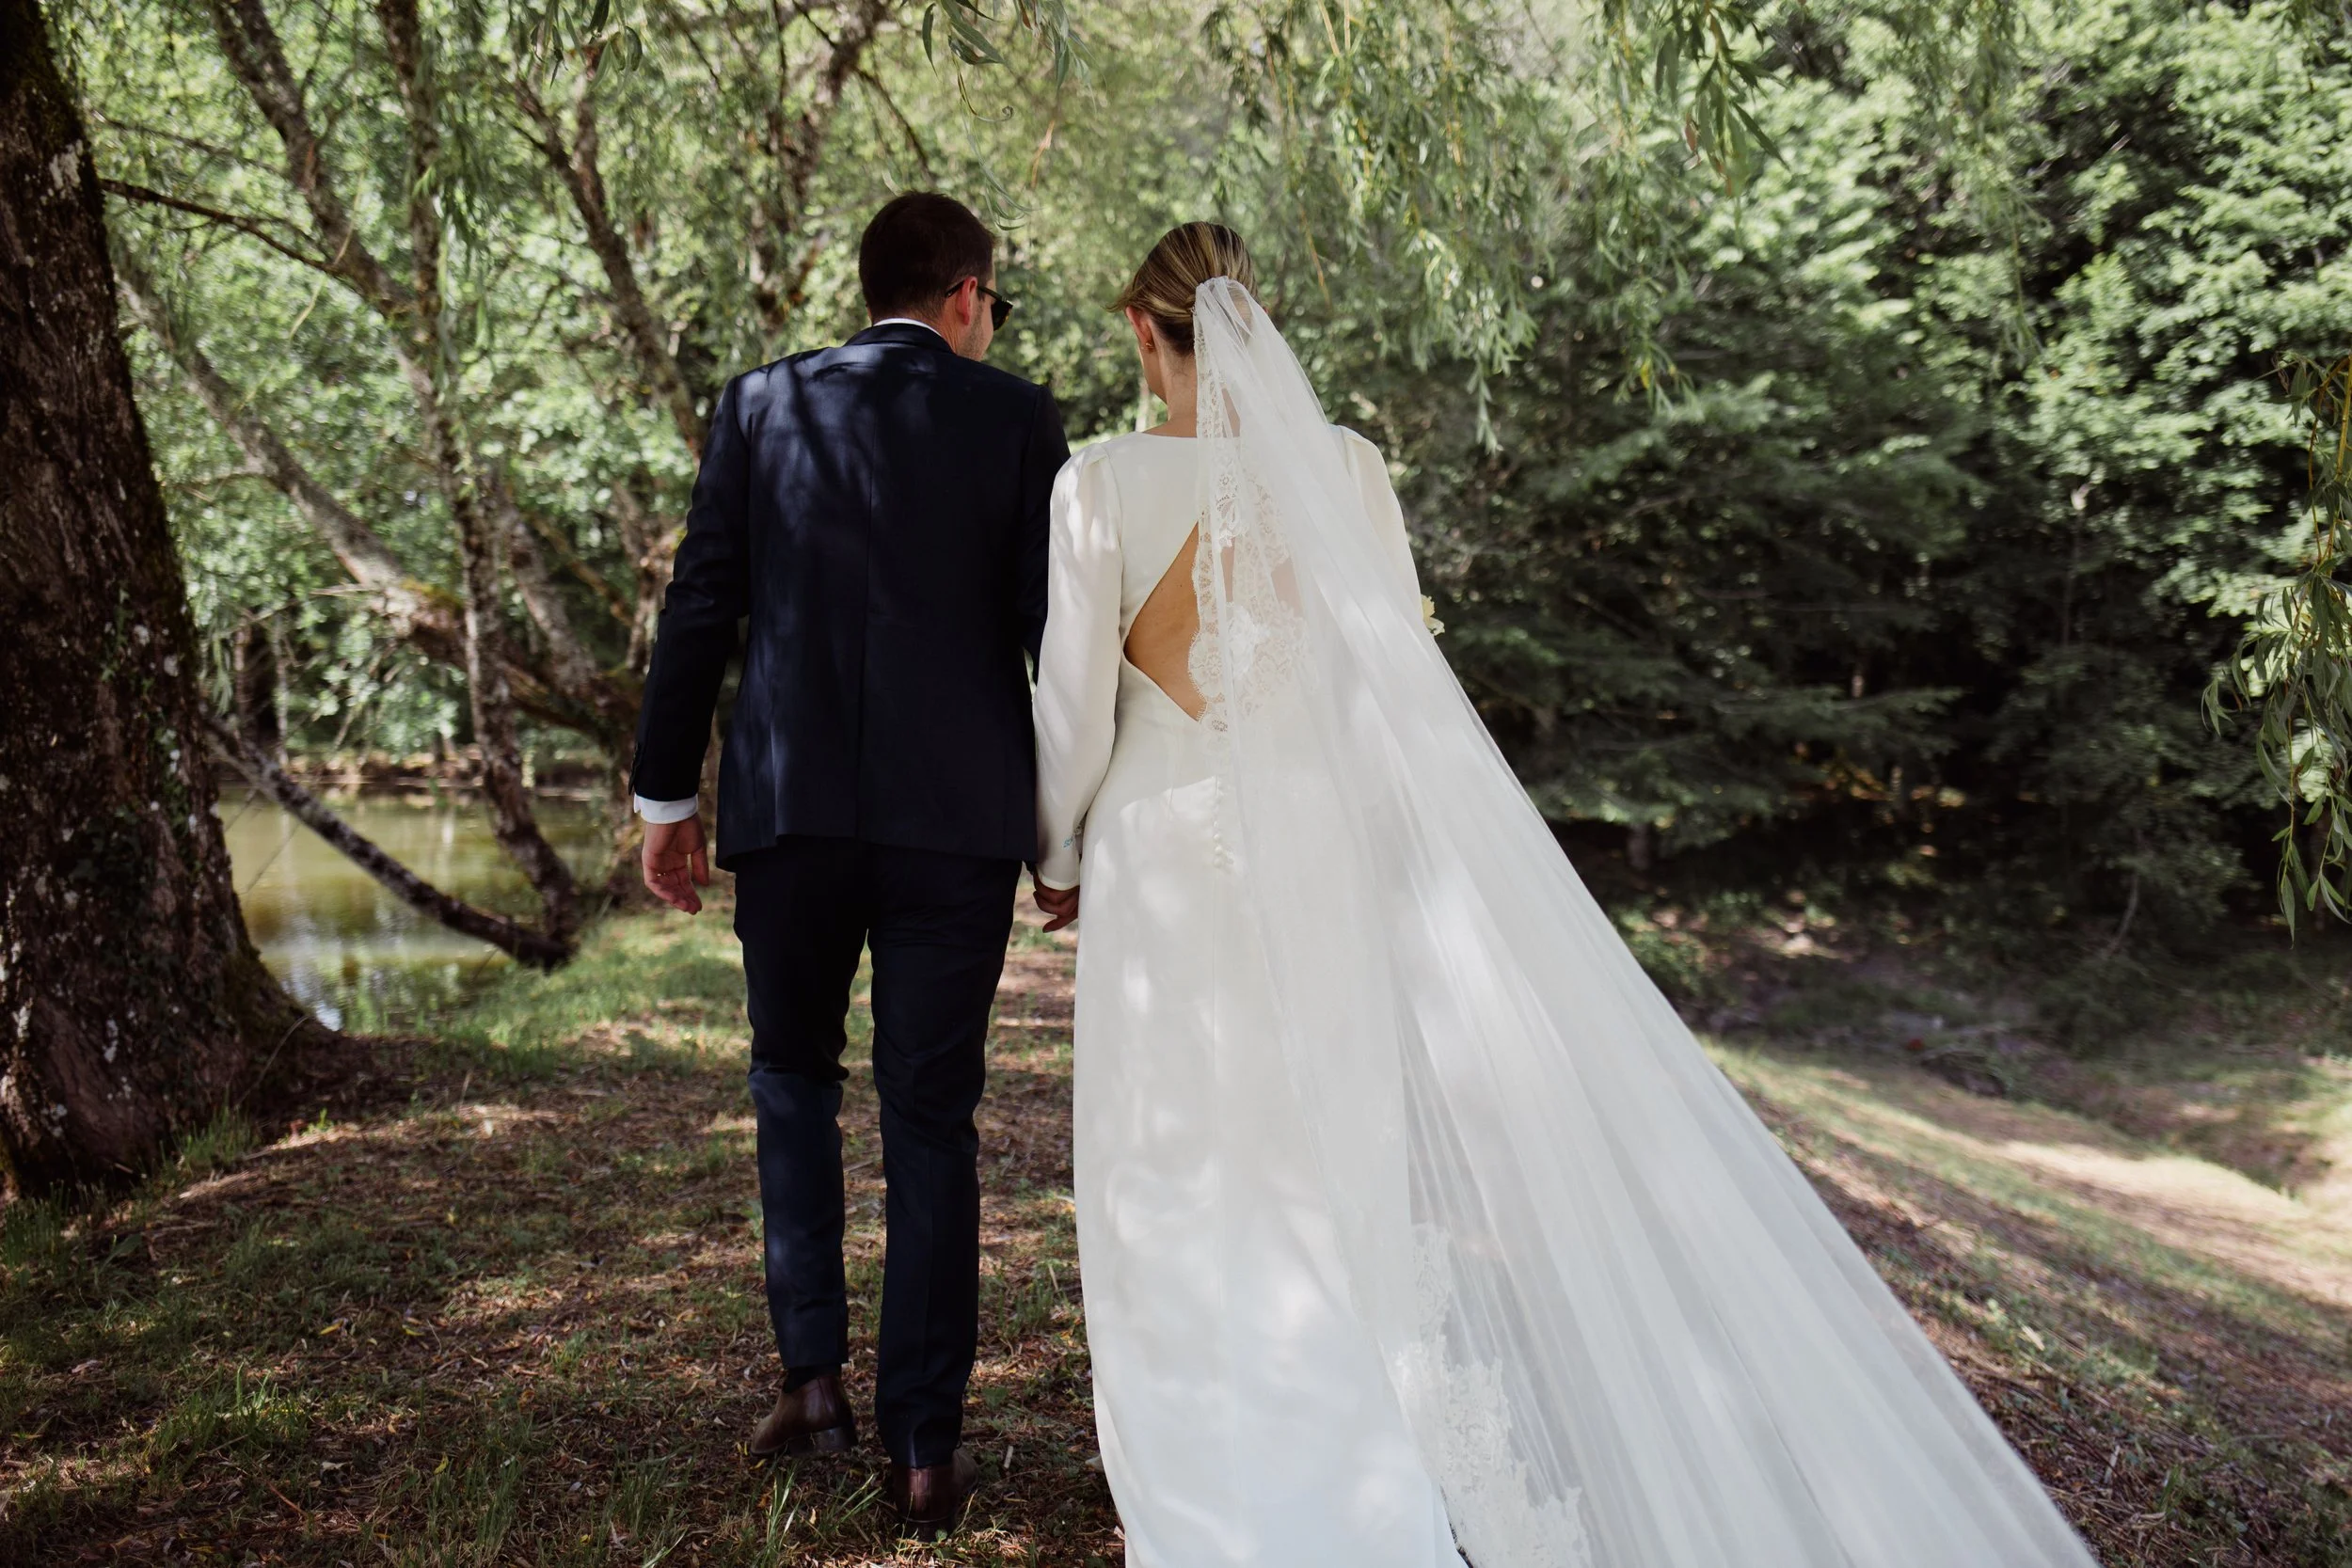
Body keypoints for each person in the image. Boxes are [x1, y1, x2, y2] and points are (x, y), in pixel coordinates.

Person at [1030, 223, 2102, 1568]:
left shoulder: (1099, 482)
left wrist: (1056, 858)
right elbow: (1384, 695)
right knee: (1328, 1160)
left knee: (1171, 1167)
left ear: (1147, 332)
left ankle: (1204, 1503)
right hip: (1316, 855)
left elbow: (1071, 715)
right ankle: (1355, 1487)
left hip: (1163, 865)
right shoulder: (1346, 469)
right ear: (1255, 319)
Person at [630, 190, 1066, 1536]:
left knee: (792, 1083)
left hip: (792, 812)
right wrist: (1063, 831)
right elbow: (1055, 637)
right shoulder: (1018, 420)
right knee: (930, 1118)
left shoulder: (761, 405)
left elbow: (701, 601)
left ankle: (811, 1380)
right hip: (956, 825)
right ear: (965, 296)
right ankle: (925, 1449)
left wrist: (665, 796)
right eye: (993, 303)